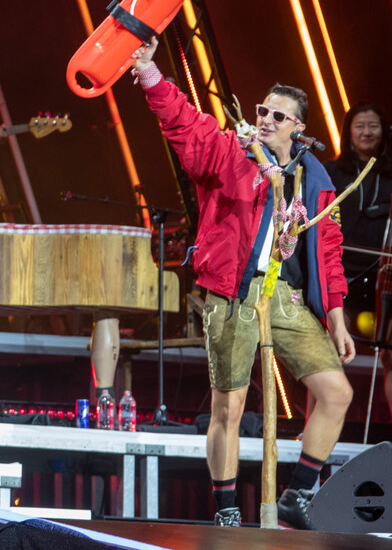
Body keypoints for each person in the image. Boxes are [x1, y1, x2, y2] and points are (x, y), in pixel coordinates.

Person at [131, 37, 354, 529]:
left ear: (299, 127)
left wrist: (336, 317)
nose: (266, 121)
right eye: (262, 111)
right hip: (233, 294)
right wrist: (150, 75)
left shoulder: (313, 177)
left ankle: (299, 496)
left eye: (278, 116)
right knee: (228, 408)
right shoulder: (230, 152)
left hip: (283, 297)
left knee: (336, 392)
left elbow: (329, 251)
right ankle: (227, 509)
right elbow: (185, 121)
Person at [324, 103, 392, 444]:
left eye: (373, 126)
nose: (367, 132)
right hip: (344, 272)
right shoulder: (332, 172)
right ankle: (321, 430)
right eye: (360, 126)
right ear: (348, 131)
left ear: (384, 133)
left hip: (388, 271)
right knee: (330, 354)